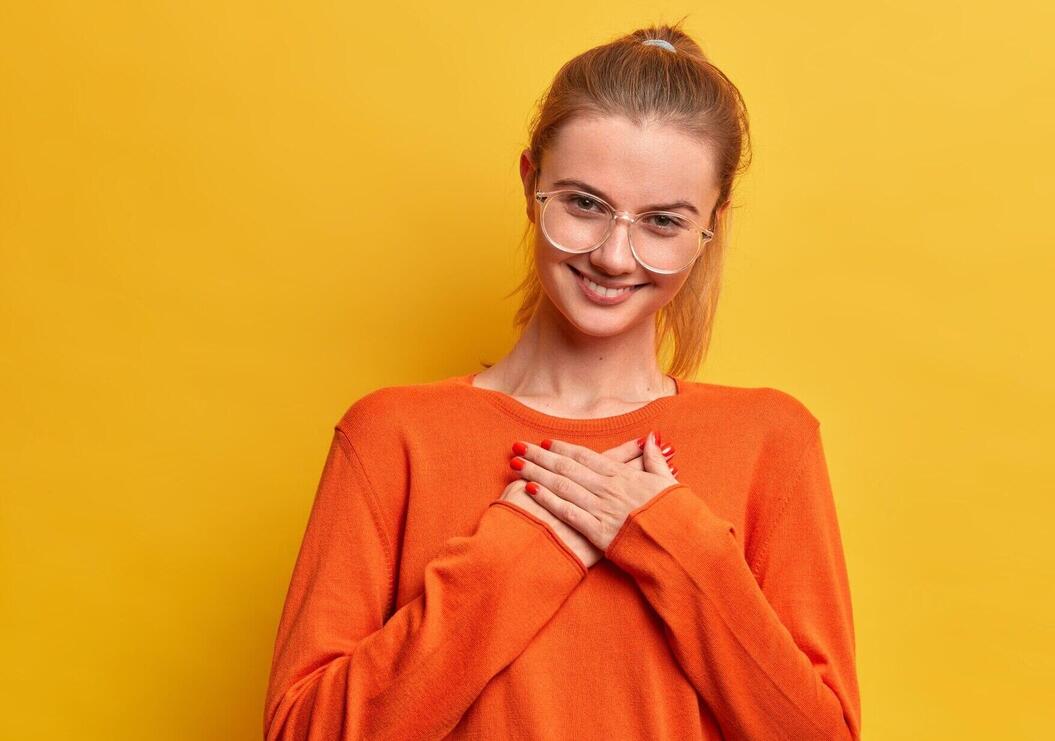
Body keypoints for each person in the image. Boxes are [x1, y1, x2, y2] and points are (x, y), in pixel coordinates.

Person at [263, 22, 861, 740]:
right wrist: (517, 554)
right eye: (583, 203)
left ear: (711, 229)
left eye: (663, 221)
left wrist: (671, 542)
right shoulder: (391, 436)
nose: (614, 255)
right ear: (529, 184)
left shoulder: (772, 441)